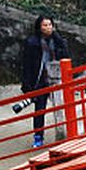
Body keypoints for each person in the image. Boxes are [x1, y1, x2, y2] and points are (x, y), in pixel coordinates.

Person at [17, 15, 68, 149]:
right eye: (45, 25)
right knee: (40, 110)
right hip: (40, 80)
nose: (48, 28)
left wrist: (57, 38)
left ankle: (63, 134)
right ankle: (38, 137)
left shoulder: (57, 40)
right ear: (39, 27)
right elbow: (26, 65)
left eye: (50, 25)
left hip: (56, 79)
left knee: (61, 106)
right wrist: (27, 85)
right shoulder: (32, 42)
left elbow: (66, 56)